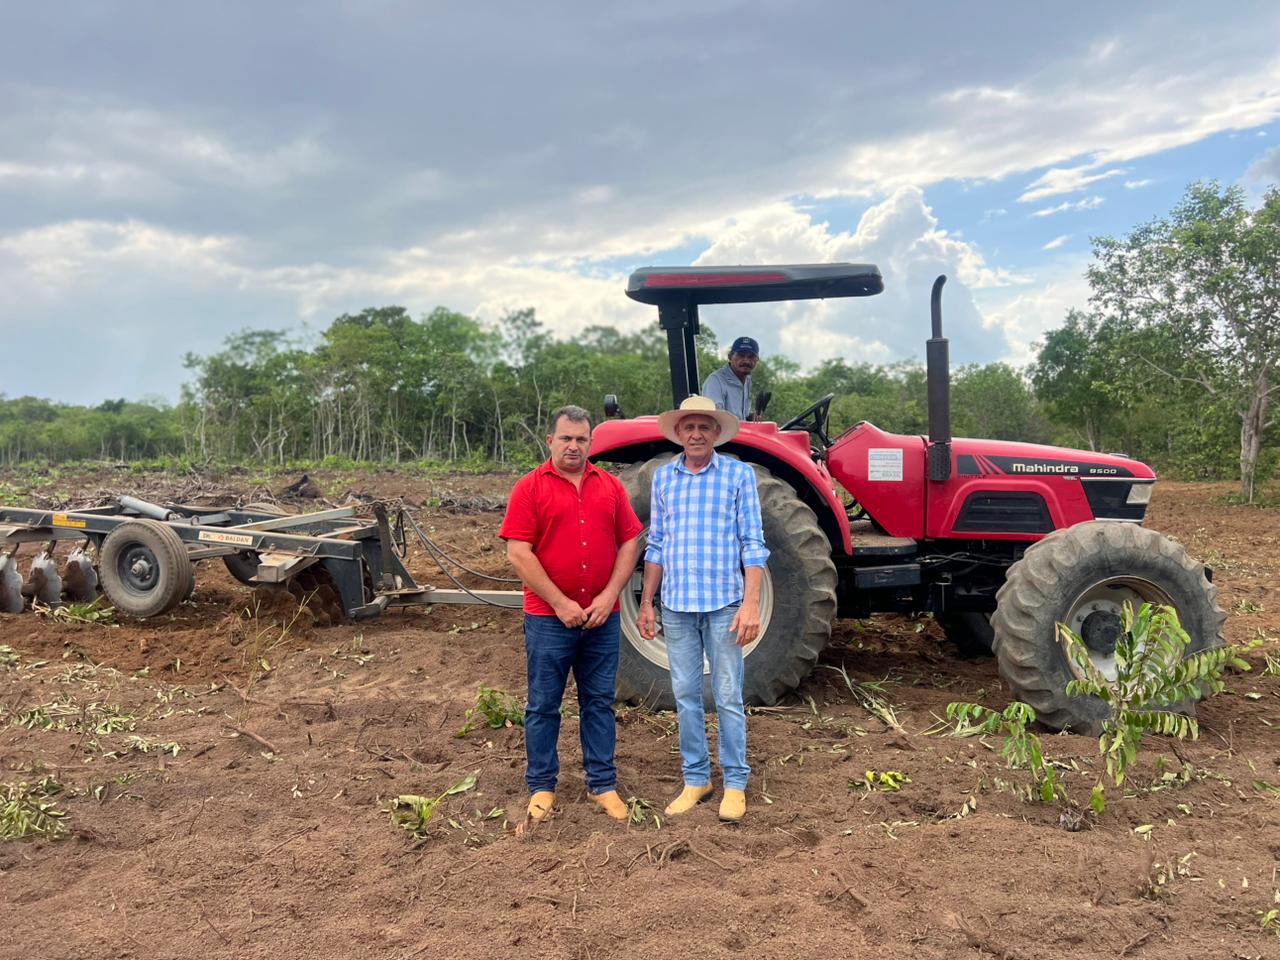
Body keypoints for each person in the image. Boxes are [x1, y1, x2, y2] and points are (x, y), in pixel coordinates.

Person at [500, 405, 643, 824]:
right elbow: (518, 552)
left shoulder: (611, 487)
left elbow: (630, 542)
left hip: (602, 618)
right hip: (549, 620)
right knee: (544, 704)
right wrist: (560, 603)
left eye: (581, 439)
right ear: (551, 441)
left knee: (598, 702)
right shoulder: (529, 488)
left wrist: (609, 596)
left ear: (591, 444)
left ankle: (602, 784)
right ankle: (542, 786)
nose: (574, 446)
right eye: (566, 438)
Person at [636, 395, 768, 823]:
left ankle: (735, 782)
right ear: (678, 433)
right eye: (688, 427)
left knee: (728, 696)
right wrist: (646, 601)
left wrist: (750, 605)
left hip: (724, 606)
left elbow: (753, 544)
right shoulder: (663, 479)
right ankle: (696, 778)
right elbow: (656, 544)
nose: (695, 434)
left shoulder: (738, 474)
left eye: (704, 428)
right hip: (676, 606)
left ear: (716, 433)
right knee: (686, 696)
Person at [702, 336, 759, 421]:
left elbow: (742, 416)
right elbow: (715, 419)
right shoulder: (715, 381)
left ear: (757, 360)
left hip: (742, 433)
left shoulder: (747, 381)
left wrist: (751, 417)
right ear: (730, 356)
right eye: (741, 355)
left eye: (751, 357)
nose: (746, 361)